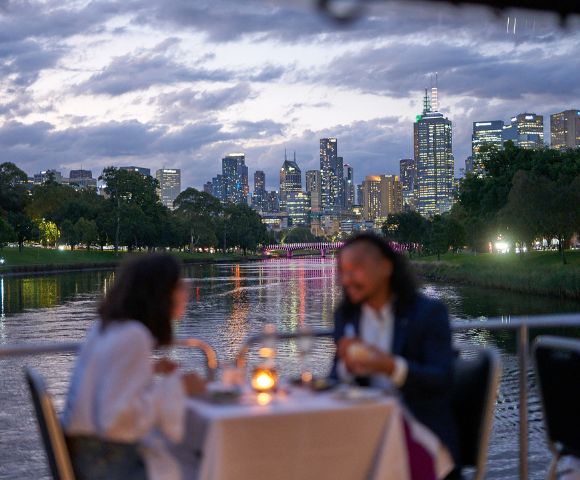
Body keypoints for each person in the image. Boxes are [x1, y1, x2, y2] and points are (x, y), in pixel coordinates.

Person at [62, 253, 206, 480]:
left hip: (86, 454)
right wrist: (179, 387)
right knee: (209, 467)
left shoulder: (105, 327)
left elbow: (105, 383)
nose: (185, 293)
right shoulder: (133, 336)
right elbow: (115, 421)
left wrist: (150, 369)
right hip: (108, 462)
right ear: (160, 294)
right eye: (179, 286)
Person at [332, 232, 460, 478]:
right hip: (363, 428)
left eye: (355, 270)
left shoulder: (428, 313)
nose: (346, 280)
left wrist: (391, 367)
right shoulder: (346, 316)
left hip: (420, 428)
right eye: (342, 271)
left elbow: (442, 379)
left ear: (385, 268)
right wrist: (346, 366)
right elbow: (335, 379)